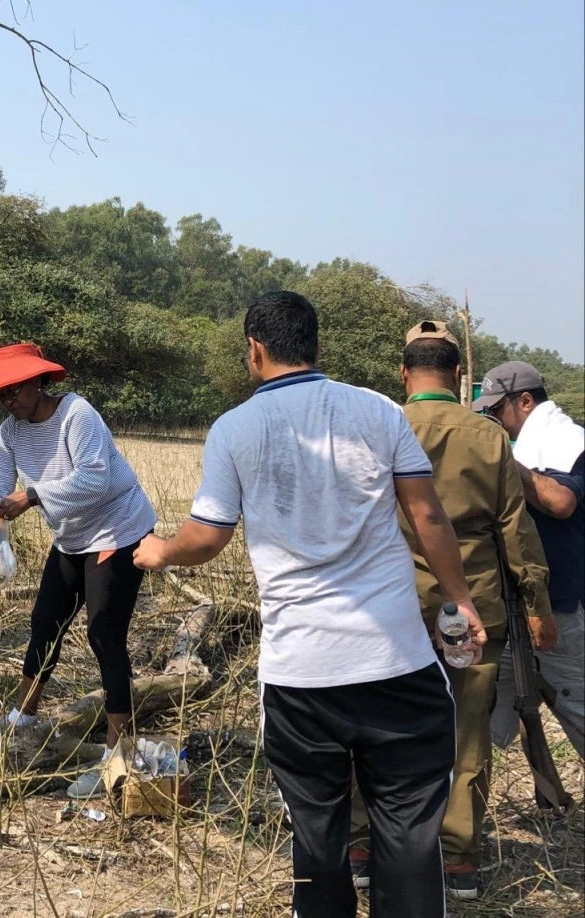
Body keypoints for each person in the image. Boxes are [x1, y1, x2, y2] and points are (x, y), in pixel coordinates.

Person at [133, 292, 487, 918]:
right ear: (317, 346)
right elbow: (426, 513)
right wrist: (460, 599)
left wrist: (159, 551)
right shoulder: (379, 411)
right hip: (397, 666)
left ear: (254, 350)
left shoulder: (235, 429)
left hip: (301, 679)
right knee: (408, 835)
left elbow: (207, 538)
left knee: (317, 839)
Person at [350, 322, 556, 900]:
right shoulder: (489, 436)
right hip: (475, 604)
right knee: (467, 735)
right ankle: (458, 856)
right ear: (459, 374)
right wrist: (537, 605)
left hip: (386, 601)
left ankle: (363, 844)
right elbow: (516, 528)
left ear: (404, 372)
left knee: (373, 724)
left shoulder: (376, 426)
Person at [0, 343, 157, 799]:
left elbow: (96, 478)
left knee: (104, 634)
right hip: (71, 536)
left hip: (117, 530)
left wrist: (29, 497)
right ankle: (23, 718)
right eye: (0, 395)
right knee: (45, 620)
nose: (8, 401)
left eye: (14, 391)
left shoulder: (77, 415)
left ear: (37, 382)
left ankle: (118, 757)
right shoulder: (10, 432)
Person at [473, 361, 585, 758]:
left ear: (524, 401)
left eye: (496, 410)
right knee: (482, 717)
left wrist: (502, 460)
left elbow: (561, 502)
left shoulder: (570, 441)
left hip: (560, 606)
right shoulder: (524, 442)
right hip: (516, 606)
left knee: (575, 706)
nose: (492, 419)